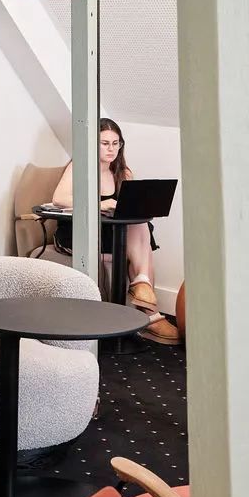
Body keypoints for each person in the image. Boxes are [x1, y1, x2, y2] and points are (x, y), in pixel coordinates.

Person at [50, 118, 179, 345]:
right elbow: (59, 199)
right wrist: (101, 204)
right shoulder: (79, 166)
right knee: (139, 237)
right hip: (82, 233)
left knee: (139, 221)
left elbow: (133, 206)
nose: (111, 149)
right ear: (92, 144)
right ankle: (150, 312)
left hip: (114, 234)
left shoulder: (123, 172)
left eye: (115, 143)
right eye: (104, 143)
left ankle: (142, 285)